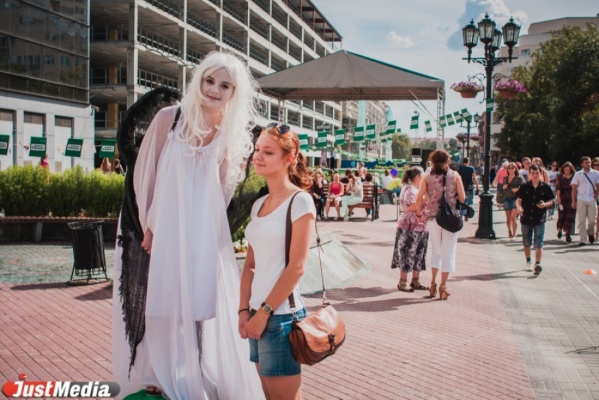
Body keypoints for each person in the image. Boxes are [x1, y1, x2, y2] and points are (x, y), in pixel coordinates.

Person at [112, 51, 263, 399]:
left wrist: (210, 233)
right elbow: (145, 174)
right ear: (199, 80)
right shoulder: (171, 118)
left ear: (234, 92)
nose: (214, 90)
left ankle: (191, 369)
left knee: (197, 303)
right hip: (164, 224)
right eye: (209, 80)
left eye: (224, 85)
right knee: (162, 298)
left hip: (202, 228)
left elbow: (222, 189)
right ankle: (156, 372)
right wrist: (150, 225)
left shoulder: (230, 132)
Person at [239, 123, 315, 400]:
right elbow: (250, 264)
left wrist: (263, 314)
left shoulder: (300, 202)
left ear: (289, 158)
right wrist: (243, 310)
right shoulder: (258, 205)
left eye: (268, 152)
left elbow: (297, 267)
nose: (258, 156)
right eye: (257, 149)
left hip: (280, 317)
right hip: (256, 314)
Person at [415, 149, 465, 300]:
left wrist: (419, 215)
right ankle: (443, 286)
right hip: (450, 218)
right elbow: (462, 198)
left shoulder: (427, 177)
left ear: (432, 161)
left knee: (436, 251)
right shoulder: (455, 175)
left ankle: (432, 284)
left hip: (433, 218)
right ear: (447, 161)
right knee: (448, 252)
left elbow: (419, 198)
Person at [391, 166, 428, 292]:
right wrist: (424, 199)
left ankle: (415, 280)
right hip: (410, 226)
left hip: (417, 226)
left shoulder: (411, 188)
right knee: (408, 252)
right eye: (422, 177)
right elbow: (411, 207)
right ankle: (403, 282)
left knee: (418, 253)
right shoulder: (410, 189)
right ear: (417, 177)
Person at [516, 164, 555, 275]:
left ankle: (537, 263)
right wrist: (519, 207)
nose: (535, 175)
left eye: (537, 173)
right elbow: (518, 199)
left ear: (540, 173)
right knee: (526, 241)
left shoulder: (545, 187)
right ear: (529, 174)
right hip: (526, 218)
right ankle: (528, 261)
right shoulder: (524, 186)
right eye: (532, 173)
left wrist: (545, 204)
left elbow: (552, 201)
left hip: (539, 218)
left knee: (539, 242)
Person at [571, 156, 599, 246]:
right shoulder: (578, 174)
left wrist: (595, 196)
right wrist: (573, 201)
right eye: (586, 162)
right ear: (582, 164)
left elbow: (598, 185)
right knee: (581, 220)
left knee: (592, 219)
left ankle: (590, 233)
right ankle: (583, 239)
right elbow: (574, 188)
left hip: (591, 198)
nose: (588, 164)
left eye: (589, 162)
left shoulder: (596, 173)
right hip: (581, 198)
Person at [501, 162, 523, 240]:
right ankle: (509, 231)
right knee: (508, 218)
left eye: (512, 168)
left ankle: (514, 234)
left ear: (515, 169)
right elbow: (503, 187)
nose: (511, 169)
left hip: (515, 199)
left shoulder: (519, 178)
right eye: (509, 168)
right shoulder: (505, 177)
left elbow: (523, 187)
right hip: (506, 198)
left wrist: (517, 189)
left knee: (513, 218)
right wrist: (504, 187)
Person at [556, 162, 576, 242]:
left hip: (572, 197)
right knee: (562, 215)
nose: (567, 171)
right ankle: (560, 229)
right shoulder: (560, 176)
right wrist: (558, 197)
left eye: (569, 170)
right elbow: (558, 188)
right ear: (563, 169)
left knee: (570, 216)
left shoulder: (574, 176)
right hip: (563, 197)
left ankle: (568, 234)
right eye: (565, 169)